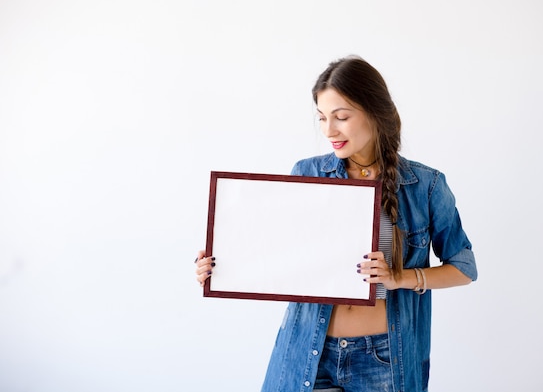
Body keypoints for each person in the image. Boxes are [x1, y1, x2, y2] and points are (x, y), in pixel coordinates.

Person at [195, 56, 477, 392]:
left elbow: (464, 267)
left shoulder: (425, 185)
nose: (329, 130)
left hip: (384, 359)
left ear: (375, 113)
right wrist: (223, 266)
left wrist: (398, 277)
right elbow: (275, 255)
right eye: (322, 118)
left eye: (341, 117)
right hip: (307, 353)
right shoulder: (306, 173)